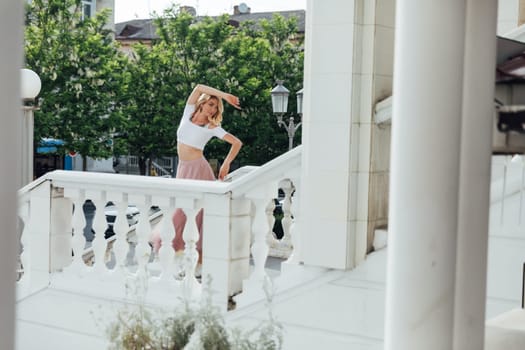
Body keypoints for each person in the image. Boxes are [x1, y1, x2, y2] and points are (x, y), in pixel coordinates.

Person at [151, 84, 242, 268]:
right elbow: (199, 87)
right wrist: (224, 95)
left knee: (190, 213)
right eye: (210, 104)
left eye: (215, 106)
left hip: (199, 171)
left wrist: (226, 164)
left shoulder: (212, 127)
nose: (212, 108)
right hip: (183, 170)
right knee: (182, 210)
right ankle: (178, 255)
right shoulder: (188, 113)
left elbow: (237, 143)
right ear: (201, 104)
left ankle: (193, 257)